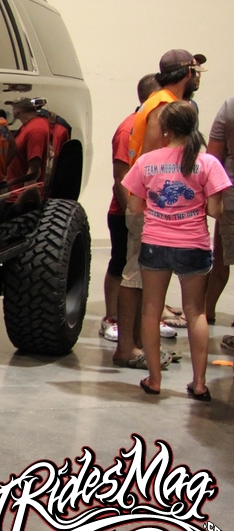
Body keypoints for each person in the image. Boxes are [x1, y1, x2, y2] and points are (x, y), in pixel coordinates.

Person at [122, 100, 230, 400]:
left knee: (151, 310)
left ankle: (154, 379)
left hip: (155, 243)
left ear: (165, 130)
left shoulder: (147, 161)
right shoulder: (208, 163)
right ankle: (199, 383)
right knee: (196, 312)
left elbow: (134, 205)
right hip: (193, 244)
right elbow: (215, 211)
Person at [113, 49, 205, 368]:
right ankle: (127, 348)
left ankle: (138, 345)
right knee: (135, 276)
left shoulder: (160, 101)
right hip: (150, 206)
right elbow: (154, 161)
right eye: (196, 72)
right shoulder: (163, 105)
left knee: (141, 277)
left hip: (151, 204)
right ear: (186, 73)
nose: (198, 78)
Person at [101, 74, 162, 342]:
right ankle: (111, 317)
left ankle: (142, 321)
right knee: (120, 264)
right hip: (124, 212)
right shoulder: (129, 129)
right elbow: (120, 177)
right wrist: (131, 215)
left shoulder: (155, 129)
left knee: (143, 269)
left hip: (148, 214)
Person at [204, 96, 234, 333]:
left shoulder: (230, 105)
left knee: (222, 260)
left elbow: (213, 157)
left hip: (231, 196)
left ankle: (205, 311)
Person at [7, 99, 69, 185]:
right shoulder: (29, 125)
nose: (12, 111)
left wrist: (11, 184)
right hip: (16, 188)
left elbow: (34, 170)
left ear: (17, 111)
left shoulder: (35, 130)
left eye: (13, 108)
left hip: (20, 190)